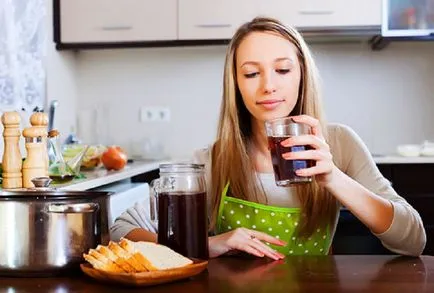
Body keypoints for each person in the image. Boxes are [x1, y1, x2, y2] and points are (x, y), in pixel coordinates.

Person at [110, 17, 426, 259]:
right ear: (236, 85)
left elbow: (413, 241)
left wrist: (333, 178)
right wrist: (207, 245)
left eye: (283, 70)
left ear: (302, 74)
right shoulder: (212, 160)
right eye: (251, 73)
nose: (268, 86)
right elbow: (119, 231)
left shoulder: (339, 144)